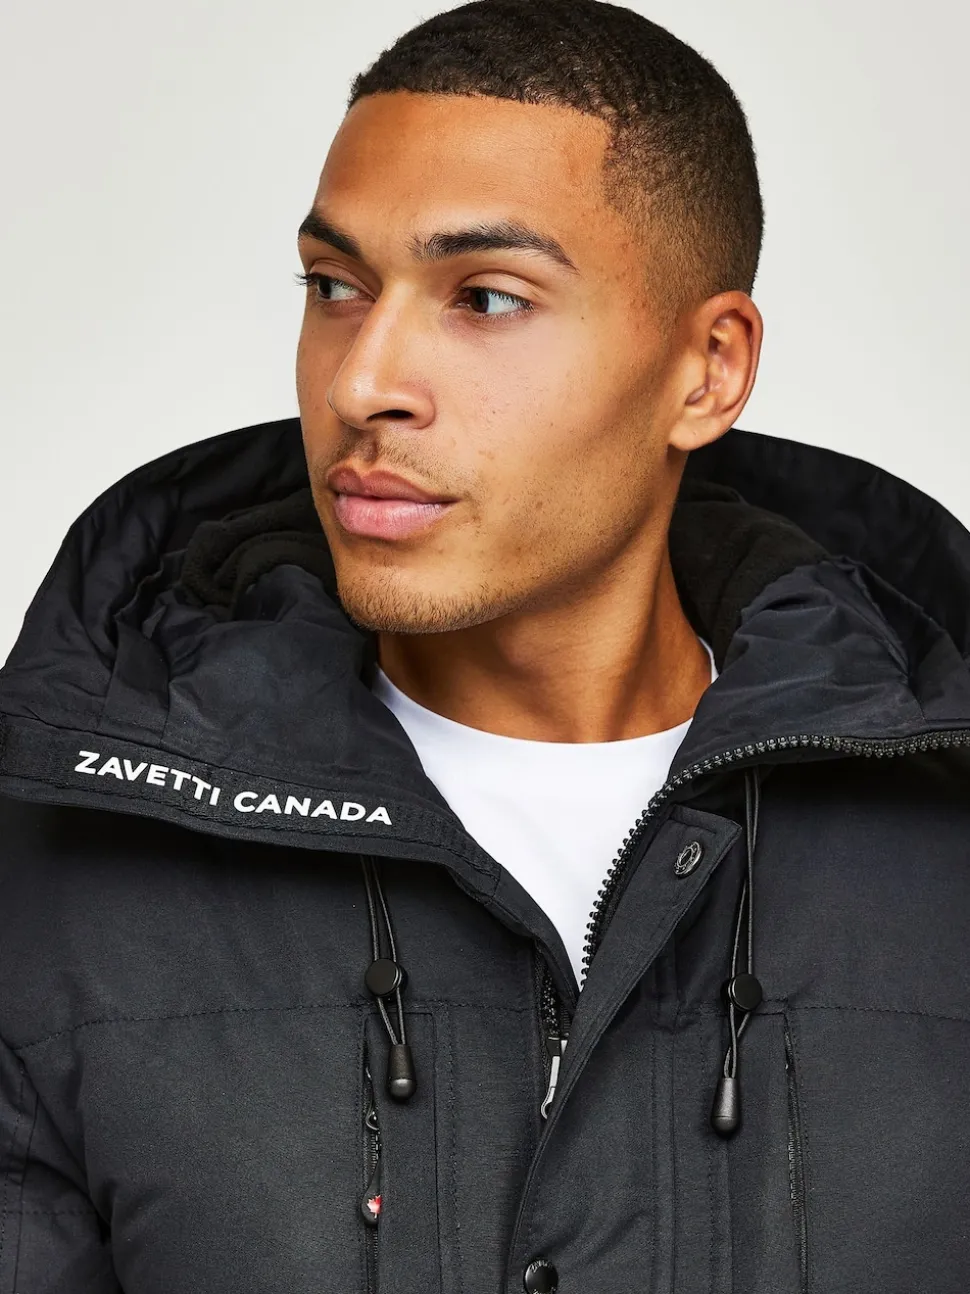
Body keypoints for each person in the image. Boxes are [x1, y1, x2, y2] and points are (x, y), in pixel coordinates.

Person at [2, 0, 970, 1289]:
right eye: (335, 287)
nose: (361, 384)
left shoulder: (943, 853)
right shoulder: (56, 872)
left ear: (708, 369)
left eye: (488, 299)